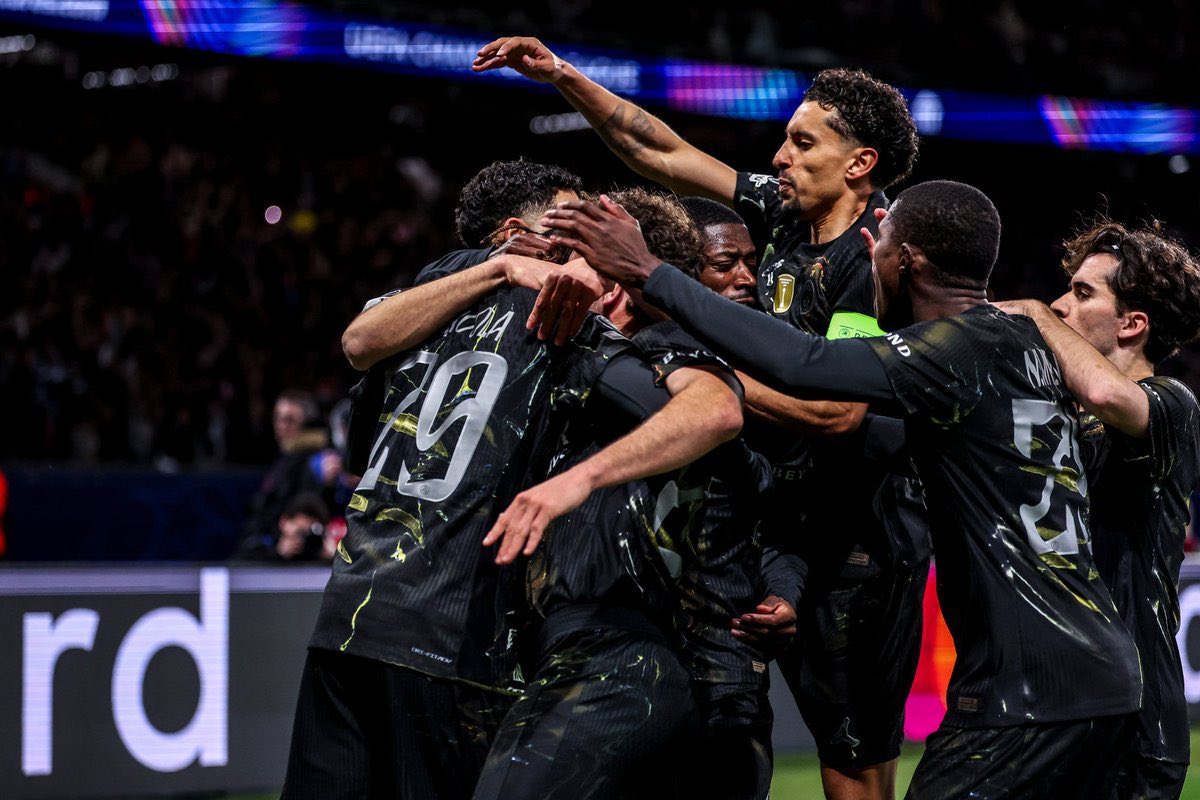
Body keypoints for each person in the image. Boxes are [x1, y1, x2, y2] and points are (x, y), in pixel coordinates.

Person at [534, 180, 1144, 799]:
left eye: (878, 243)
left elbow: (808, 368)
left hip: (1028, 684)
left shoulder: (950, 350)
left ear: (907, 260)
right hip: (1102, 668)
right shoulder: (1021, 340)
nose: (866, 255)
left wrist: (649, 271)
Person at [484, 42, 928, 796]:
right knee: (721, 731)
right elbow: (654, 145)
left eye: (802, 141)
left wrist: (691, 364)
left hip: (855, 543)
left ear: (859, 164)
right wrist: (562, 76)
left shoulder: (872, 254)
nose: (779, 155)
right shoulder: (783, 217)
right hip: (770, 521)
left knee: (851, 768)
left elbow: (837, 412)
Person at [282, 163, 742, 800]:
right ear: (514, 236)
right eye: (565, 230)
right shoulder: (561, 314)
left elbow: (358, 349)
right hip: (450, 632)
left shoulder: (435, 289)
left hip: (347, 619)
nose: (579, 250)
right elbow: (707, 412)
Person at [474, 188, 770, 800]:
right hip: (671, 674)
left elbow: (718, 416)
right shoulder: (605, 368)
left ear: (612, 281)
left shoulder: (666, 353)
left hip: (633, 662)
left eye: (573, 259)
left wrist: (574, 480)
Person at [998, 221, 1200, 800]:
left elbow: (1109, 394)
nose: (1061, 304)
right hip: (1053, 707)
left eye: (1083, 294)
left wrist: (1034, 313)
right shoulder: (1059, 414)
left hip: (1134, 722)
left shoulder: (1172, 406)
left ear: (1133, 324)